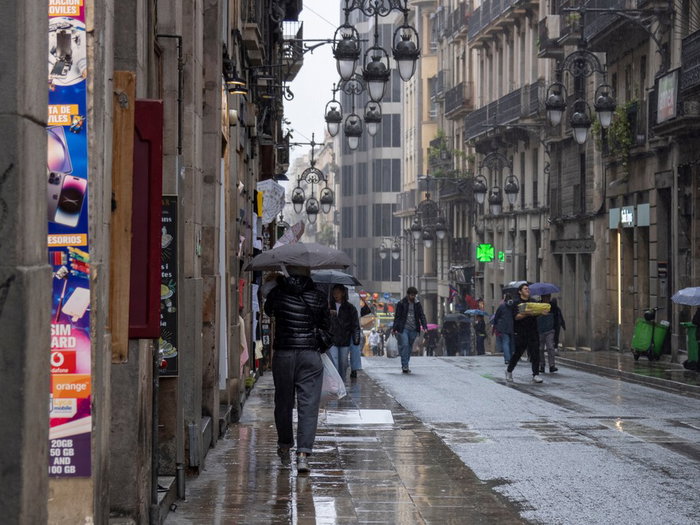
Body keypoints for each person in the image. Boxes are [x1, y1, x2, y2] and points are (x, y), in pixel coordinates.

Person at [263, 266, 330, 473]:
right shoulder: (318, 296)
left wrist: (275, 282)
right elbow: (327, 327)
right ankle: (303, 455)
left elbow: (267, 311)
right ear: (308, 273)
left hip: (283, 353)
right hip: (309, 354)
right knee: (308, 405)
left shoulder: (277, 293)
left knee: (283, 403)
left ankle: (284, 445)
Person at [506, 283, 544, 384]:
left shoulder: (533, 301)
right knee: (518, 353)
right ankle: (509, 371)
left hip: (533, 331)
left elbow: (536, 313)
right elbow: (516, 317)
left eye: (528, 289)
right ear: (520, 291)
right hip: (521, 332)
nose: (527, 290)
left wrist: (541, 312)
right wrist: (527, 313)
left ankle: (535, 374)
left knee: (535, 353)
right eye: (525, 289)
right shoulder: (516, 303)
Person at [328, 284, 361, 382]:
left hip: (344, 339)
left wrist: (356, 338)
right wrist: (328, 313)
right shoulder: (329, 307)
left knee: (343, 363)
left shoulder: (350, 308)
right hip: (332, 339)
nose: (336, 295)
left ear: (343, 293)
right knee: (334, 362)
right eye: (334, 293)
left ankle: (341, 381)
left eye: (338, 293)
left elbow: (355, 325)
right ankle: (336, 383)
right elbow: (324, 321)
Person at [392, 286, 428, 373]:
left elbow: (421, 315)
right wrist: (394, 328)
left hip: (414, 329)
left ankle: (406, 363)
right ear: (408, 295)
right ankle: (404, 365)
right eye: (412, 295)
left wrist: (424, 326)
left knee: (409, 347)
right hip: (403, 328)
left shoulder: (417, 304)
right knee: (405, 345)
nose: (413, 297)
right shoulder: (401, 303)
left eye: (414, 295)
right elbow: (397, 317)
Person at [537, 294, 558, 373]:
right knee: (540, 348)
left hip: (550, 330)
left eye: (549, 297)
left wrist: (556, 330)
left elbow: (556, 318)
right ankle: (542, 365)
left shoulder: (553, 306)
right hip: (540, 330)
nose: (547, 298)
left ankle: (552, 365)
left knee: (550, 347)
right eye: (546, 297)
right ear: (542, 297)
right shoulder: (538, 305)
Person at [493, 296, 515, 364]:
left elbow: (496, 316)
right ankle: (511, 358)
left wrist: (496, 325)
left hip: (503, 327)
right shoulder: (514, 306)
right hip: (512, 327)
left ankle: (507, 359)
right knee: (511, 343)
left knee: (505, 342)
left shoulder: (501, 306)